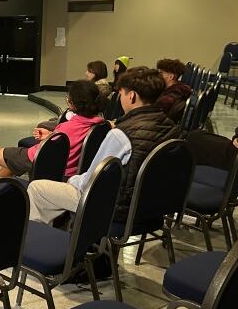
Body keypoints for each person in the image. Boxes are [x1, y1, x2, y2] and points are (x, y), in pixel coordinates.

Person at [28, 67, 179, 224]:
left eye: (121, 94)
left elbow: (90, 181)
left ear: (132, 96)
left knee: (37, 189)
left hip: (116, 208)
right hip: (153, 206)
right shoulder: (171, 127)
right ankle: (65, 231)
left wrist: (70, 180)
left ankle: (43, 240)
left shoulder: (122, 135)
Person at [0, 80, 105, 178]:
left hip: (52, 170)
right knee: (10, 164)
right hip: (72, 172)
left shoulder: (68, 128)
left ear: (74, 104)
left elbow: (33, 156)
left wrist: (53, 137)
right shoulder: (100, 124)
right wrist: (51, 135)